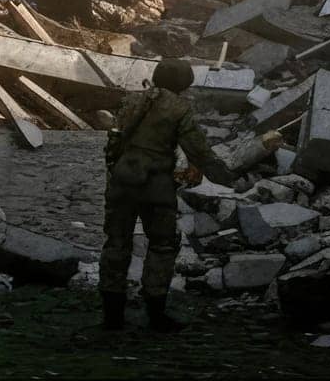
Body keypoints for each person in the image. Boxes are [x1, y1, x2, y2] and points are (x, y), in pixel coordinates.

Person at [99, 60, 284, 334]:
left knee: (116, 244)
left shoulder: (134, 100)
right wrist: (229, 179)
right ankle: (156, 314)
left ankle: (112, 317)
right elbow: (199, 152)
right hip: (155, 185)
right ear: (183, 83)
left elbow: (114, 141)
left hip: (122, 181)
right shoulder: (179, 108)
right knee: (162, 245)